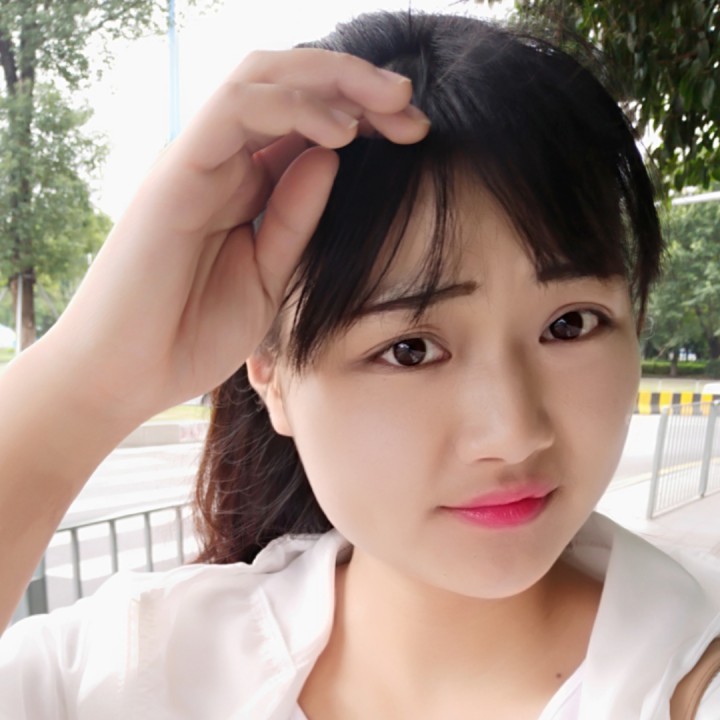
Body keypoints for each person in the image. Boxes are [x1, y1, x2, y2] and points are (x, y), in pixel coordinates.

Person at [0, 9, 718, 720]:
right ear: (270, 373)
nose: (512, 433)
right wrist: (86, 381)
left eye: (570, 324)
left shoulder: (688, 679)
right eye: (410, 349)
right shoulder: (126, 676)